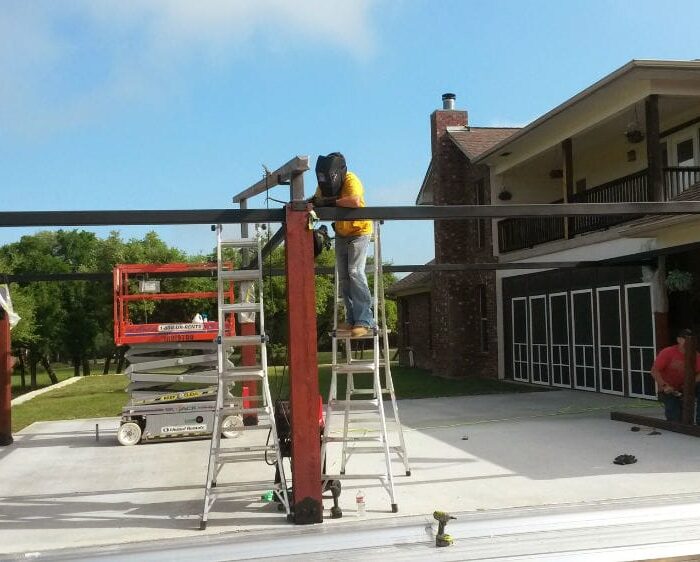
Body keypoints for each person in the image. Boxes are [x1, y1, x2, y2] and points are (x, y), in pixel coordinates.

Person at [311, 152, 373, 337]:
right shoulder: (324, 186)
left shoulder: (351, 180)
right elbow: (317, 201)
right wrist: (309, 204)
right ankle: (352, 319)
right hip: (341, 233)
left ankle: (364, 320)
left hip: (359, 231)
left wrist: (329, 201)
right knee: (344, 277)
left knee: (355, 272)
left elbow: (355, 201)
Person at [650, 328, 700, 424]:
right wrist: (665, 386)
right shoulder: (668, 352)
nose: (689, 342)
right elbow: (654, 371)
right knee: (675, 420)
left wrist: (690, 384)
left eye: (692, 339)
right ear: (679, 340)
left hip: (686, 388)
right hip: (669, 390)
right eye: (686, 338)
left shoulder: (696, 355)